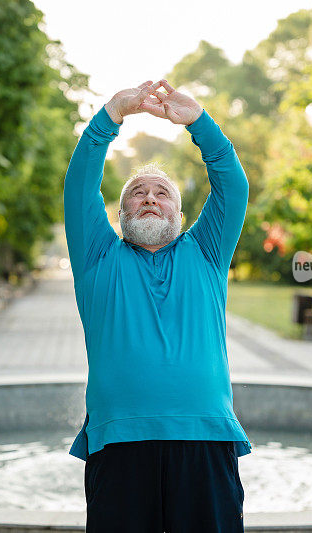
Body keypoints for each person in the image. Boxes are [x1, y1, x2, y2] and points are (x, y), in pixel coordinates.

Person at [63, 79, 252, 532]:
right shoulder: (98, 258)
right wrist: (111, 114)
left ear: (179, 216)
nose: (149, 197)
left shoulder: (205, 252)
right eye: (138, 192)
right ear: (122, 214)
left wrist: (200, 124)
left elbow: (233, 187)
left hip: (205, 440)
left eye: (162, 192)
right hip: (119, 442)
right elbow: (79, 186)